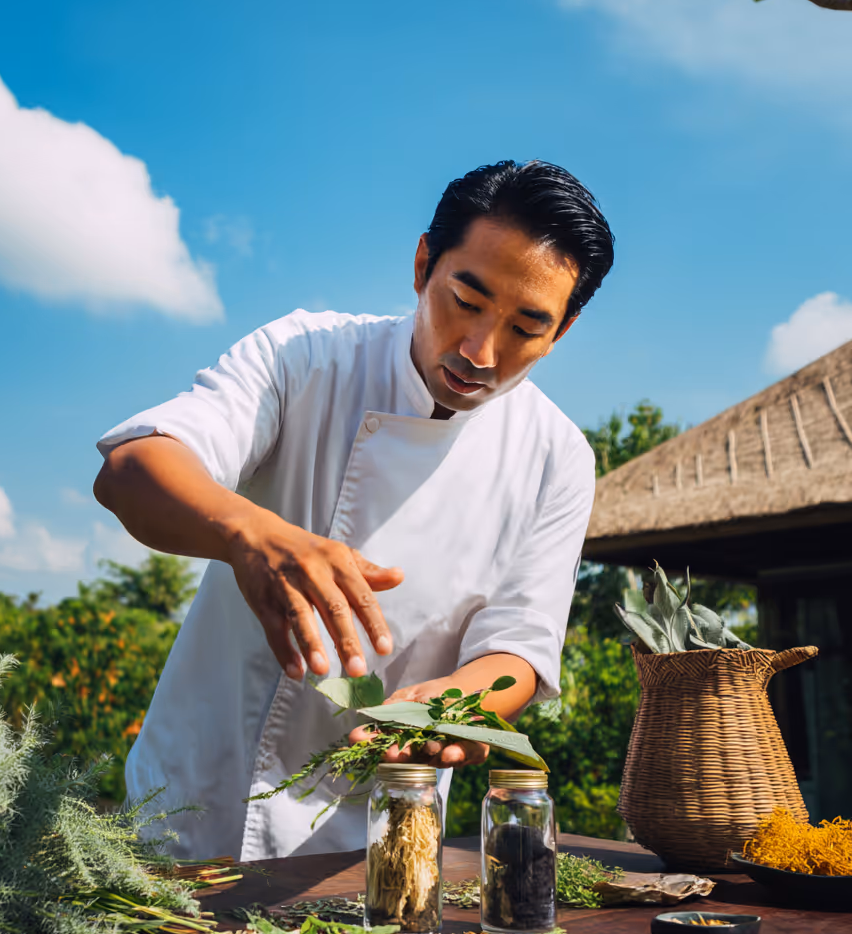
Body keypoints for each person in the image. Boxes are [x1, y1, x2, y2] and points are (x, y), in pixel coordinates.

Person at [94, 160, 615, 860]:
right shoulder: (309, 355)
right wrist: (250, 534)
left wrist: (456, 709)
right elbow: (131, 472)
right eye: (465, 298)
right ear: (424, 263)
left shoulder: (556, 457)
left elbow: (517, 651)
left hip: (374, 844)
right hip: (187, 812)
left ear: (564, 329)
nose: (480, 351)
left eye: (525, 327)